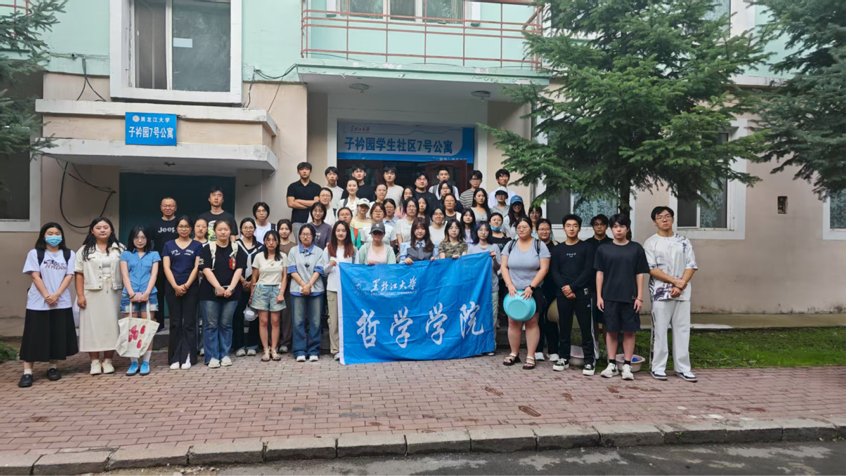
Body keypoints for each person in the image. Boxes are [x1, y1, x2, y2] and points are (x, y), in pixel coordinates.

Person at [18, 223, 78, 388]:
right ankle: (27, 372)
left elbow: (69, 276)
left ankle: (53, 367)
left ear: (62, 236)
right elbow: (35, 276)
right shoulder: (35, 253)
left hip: (61, 302)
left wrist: (56, 295)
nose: (54, 236)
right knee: (33, 336)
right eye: (50, 233)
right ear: (43, 236)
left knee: (57, 335)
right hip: (38, 302)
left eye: (57, 233)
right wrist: (47, 296)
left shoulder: (68, 254)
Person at [644, 206, 698, 382]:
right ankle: (658, 367)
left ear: (673, 219)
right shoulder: (651, 243)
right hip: (660, 293)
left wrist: (680, 285)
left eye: (668, 216)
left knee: (682, 330)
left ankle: (683, 368)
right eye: (660, 217)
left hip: (682, 292)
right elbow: (652, 269)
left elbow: (691, 265)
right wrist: (675, 282)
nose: (664, 219)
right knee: (660, 330)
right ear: (655, 222)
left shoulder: (684, 242)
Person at [595, 214, 650, 381]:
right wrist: (599, 296)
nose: (618, 230)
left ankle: (627, 365)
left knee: (629, 331)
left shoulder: (636, 248)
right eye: (615, 227)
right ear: (611, 229)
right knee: (611, 331)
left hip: (630, 297)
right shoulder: (603, 249)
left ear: (628, 228)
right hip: (609, 297)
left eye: (622, 226)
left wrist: (639, 297)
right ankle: (611, 364)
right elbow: (599, 273)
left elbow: (640, 274)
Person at [74, 217, 124, 376]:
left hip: (114, 292)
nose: (102, 230)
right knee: (92, 327)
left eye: (106, 227)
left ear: (111, 230)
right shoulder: (84, 250)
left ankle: (108, 360)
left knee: (112, 326)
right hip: (91, 293)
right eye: (98, 227)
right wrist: (80, 295)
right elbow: (79, 274)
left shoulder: (120, 249)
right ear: (92, 231)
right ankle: (94, 361)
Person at [501, 217, 550, 370]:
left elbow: (544, 268)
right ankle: (514, 353)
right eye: (519, 227)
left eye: (525, 227)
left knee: (532, 323)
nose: (521, 230)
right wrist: (509, 285)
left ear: (531, 228)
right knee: (513, 322)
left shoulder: (539, 245)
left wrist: (531, 287)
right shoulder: (510, 245)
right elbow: (504, 267)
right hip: (513, 291)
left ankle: (530, 355)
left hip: (532, 291)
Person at [550, 215, 596, 375]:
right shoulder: (557, 249)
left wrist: (572, 287)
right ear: (564, 228)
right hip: (563, 293)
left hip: (582, 293)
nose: (571, 228)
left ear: (579, 228)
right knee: (564, 327)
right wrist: (565, 288)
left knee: (585, 328)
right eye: (568, 225)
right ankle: (563, 357)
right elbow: (554, 271)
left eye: (575, 225)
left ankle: (589, 360)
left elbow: (588, 271)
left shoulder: (587, 247)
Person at [198, 220, 247, 369]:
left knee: (226, 324)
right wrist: (218, 287)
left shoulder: (237, 248)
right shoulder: (207, 248)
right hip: (209, 293)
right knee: (211, 325)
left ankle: (225, 354)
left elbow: (239, 269)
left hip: (231, 293)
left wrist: (231, 288)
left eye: (226, 229)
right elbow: (205, 269)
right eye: (220, 229)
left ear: (230, 231)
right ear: (214, 231)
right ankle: (212, 356)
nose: (223, 232)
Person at [119, 226, 161, 376]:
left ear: (148, 239)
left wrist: (147, 293)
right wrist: (131, 293)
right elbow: (125, 275)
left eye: (143, 237)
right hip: (129, 295)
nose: (140, 240)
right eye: (137, 237)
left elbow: (154, 275)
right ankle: (133, 362)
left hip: (149, 295)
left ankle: (146, 362)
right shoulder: (125, 254)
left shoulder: (154, 254)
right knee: (131, 329)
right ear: (132, 239)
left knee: (147, 329)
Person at [163, 216, 202, 371]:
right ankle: (174, 357)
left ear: (191, 228)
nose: (184, 229)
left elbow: (196, 268)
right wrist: (175, 286)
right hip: (172, 288)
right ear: (176, 228)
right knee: (175, 322)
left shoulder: (197, 245)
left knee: (189, 323)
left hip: (191, 288)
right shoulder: (168, 245)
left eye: (186, 226)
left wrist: (186, 285)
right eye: (181, 226)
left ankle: (188, 356)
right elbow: (166, 267)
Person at [287, 224, 325, 362]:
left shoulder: (319, 251)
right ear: (299, 236)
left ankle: (313, 350)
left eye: (308, 234)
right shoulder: (293, 251)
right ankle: (299, 351)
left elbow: (319, 269)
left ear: (313, 236)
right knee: (298, 321)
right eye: (303, 234)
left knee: (315, 321)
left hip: (316, 290)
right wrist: (304, 285)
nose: (305, 236)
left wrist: (309, 285)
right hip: (297, 290)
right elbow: (291, 270)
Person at [250, 230, 288, 362]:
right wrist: (252, 294)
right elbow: (254, 277)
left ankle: (274, 349)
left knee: (275, 321)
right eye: (268, 240)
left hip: (277, 289)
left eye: (274, 240)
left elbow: (284, 277)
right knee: (263, 321)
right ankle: (266, 349)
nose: (271, 242)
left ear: (278, 242)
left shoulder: (283, 256)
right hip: (261, 289)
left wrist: (281, 292)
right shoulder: (259, 256)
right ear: (264, 242)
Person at [322, 221, 357, 360]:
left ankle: (348, 347)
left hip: (348, 290)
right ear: (334, 233)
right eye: (338, 230)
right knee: (334, 321)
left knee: (348, 319)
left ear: (347, 233)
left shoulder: (353, 249)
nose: (341, 233)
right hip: (332, 288)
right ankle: (336, 349)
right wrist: (330, 265)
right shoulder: (328, 248)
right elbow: (323, 270)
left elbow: (356, 270)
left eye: (343, 230)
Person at [467, 221, 501, 353]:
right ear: (476, 232)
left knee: (492, 317)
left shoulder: (494, 247)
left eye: (486, 230)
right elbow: (469, 268)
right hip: (477, 289)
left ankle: (490, 345)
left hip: (492, 287)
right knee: (477, 316)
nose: (483, 232)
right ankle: (477, 345)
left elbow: (499, 268)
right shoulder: (471, 248)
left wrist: (494, 259)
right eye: (480, 230)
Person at [232, 218, 262, 358]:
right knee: (237, 314)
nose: (248, 230)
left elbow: (262, 265)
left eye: (251, 227)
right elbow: (232, 265)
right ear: (241, 230)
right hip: (238, 284)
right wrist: (243, 280)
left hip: (255, 285)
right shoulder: (235, 245)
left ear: (254, 229)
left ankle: (252, 345)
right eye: (245, 227)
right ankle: (238, 345)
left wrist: (251, 282)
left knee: (254, 315)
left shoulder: (260, 246)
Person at [148, 198, 178, 331]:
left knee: (175, 294)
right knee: (158, 294)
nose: (168, 208)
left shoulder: (179, 223)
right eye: (165, 206)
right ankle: (159, 322)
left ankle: (175, 323)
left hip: (177, 265)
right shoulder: (154, 224)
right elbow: (148, 244)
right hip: (158, 264)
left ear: (175, 208)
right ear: (161, 207)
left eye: (171, 206)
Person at [586, 214, 612, 358]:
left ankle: (609, 348)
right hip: (591, 287)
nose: (599, 227)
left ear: (607, 226)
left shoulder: (612, 243)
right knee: (593, 319)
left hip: (609, 286)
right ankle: (595, 346)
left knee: (608, 319)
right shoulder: (587, 244)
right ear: (593, 226)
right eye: (596, 224)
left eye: (602, 224)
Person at [536, 218, 559, 362]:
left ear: (550, 230)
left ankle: (553, 350)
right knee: (537, 319)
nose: (544, 232)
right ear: (536, 231)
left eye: (547, 229)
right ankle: (538, 349)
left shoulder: (557, 247)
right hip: (536, 286)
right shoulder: (533, 246)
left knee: (551, 319)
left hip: (553, 286)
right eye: (541, 229)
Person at [274, 219, 296, 353]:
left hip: (289, 284)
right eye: (281, 228)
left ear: (290, 231)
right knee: (274, 314)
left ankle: (285, 342)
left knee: (287, 314)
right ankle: (273, 342)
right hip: (273, 283)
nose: (284, 231)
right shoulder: (273, 245)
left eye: (286, 229)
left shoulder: (294, 247)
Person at [287, 162, 322, 243]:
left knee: (313, 242)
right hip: (297, 220)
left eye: (307, 169)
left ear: (311, 172)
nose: (304, 171)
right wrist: (309, 206)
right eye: (302, 169)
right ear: (298, 172)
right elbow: (290, 203)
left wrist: (298, 201)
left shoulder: (316, 187)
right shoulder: (292, 186)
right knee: (299, 242)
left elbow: (316, 203)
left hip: (313, 220)